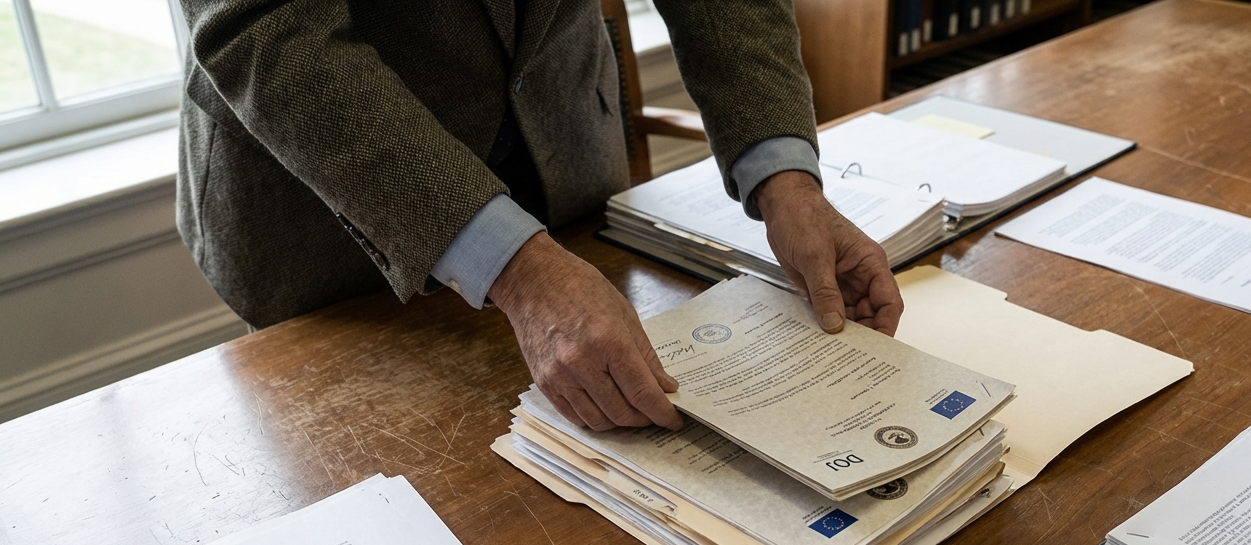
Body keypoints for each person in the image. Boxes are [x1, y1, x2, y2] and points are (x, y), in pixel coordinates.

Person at [175, 0, 903, 432]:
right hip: (342, 223)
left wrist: (784, 178)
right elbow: (266, 29)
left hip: (569, 164)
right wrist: (521, 271)